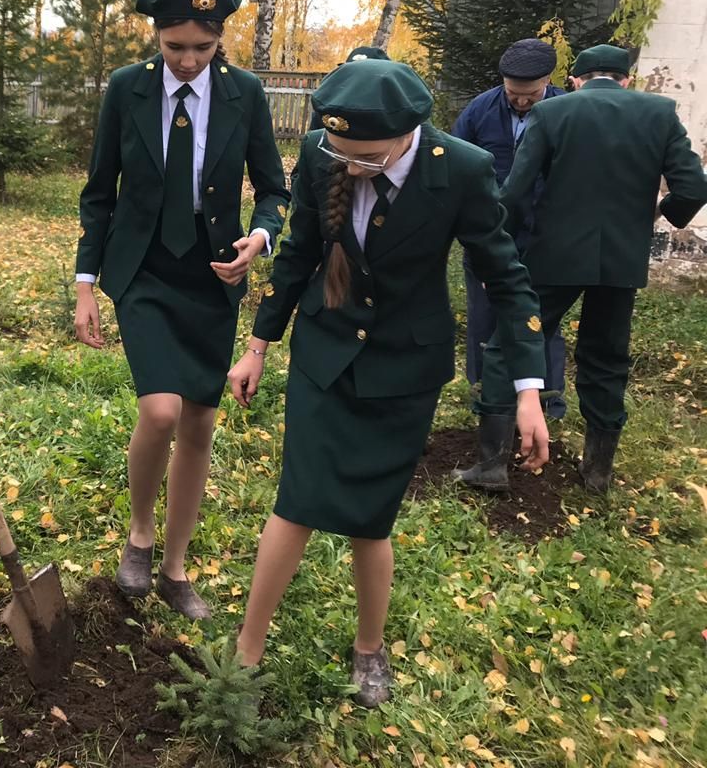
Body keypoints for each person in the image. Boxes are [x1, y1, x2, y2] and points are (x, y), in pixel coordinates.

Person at [226, 59, 549, 706]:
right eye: (343, 154)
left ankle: (369, 649)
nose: (352, 168)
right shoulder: (322, 152)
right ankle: (244, 655)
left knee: (371, 523)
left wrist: (528, 389)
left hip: (405, 370)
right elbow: (300, 255)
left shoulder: (459, 169)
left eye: (368, 159)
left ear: (409, 134)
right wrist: (258, 345)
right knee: (297, 502)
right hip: (326, 357)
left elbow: (507, 278)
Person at [74, 0, 290, 620]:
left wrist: (261, 237)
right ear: (158, 38)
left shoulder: (244, 94)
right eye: (176, 47)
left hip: (213, 271)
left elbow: (275, 190)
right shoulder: (126, 90)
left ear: (218, 39)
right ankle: (140, 534)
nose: (190, 60)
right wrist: (86, 284)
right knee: (161, 412)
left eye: (202, 47)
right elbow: (98, 193)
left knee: (198, 421)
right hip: (142, 270)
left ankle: (174, 565)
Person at [463, 44, 707, 493]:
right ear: (625, 79)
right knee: (606, 355)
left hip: (554, 256)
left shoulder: (554, 113)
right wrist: (659, 213)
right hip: (622, 259)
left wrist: (496, 253)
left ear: (575, 79)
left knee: (509, 343)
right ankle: (597, 471)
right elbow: (693, 186)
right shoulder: (660, 112)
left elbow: (514, 191)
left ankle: (492, 465)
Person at [453, 38, 568, 420]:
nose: (520, 101)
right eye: (513, 93)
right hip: (489, 232)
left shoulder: (567, 110)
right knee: (485, 315)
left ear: (548, 81)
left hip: (544, 235)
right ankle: (489, 394)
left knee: (540, 318)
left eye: (530, 94)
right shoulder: (480, 110)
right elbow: (458, 162)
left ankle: (548, 397)